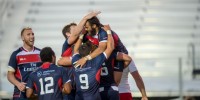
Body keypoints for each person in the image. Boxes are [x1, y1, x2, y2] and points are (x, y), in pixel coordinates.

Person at [57, 11, 101, 100]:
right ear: (68, 34)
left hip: (81, 86)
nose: (79, 29)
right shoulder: (67, 44)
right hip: (69, 85)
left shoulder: (83, 42)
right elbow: (60, 62)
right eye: (75, 29)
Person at [71, 26, 114, 100]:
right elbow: (110, 48)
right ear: (91, 52)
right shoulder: (95, 62)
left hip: (79, 97)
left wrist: (81, 35)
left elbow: (75, 49)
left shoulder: (75, 62)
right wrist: (109, 32)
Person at [7, 27, 42, 100]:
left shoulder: (41, 53)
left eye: (32, 34)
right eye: (28, 34)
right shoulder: (16, 54)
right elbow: (9, 75)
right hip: (21, 94)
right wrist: (18, 84)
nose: (32, 36)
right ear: (23, 38)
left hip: (37, 93)